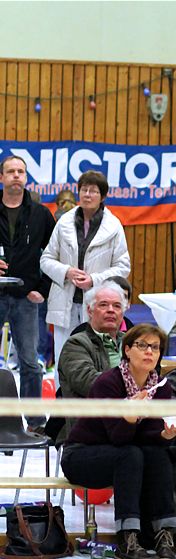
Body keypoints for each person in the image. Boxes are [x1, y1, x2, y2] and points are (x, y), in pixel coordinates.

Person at [61, 324, 176, 559]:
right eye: (142, 345)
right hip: (81, 455)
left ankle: (162, 536)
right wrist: (129, 417)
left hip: (126, 455)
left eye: (155, 347)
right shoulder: (107, 384)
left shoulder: (161, 388)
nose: (149, 352)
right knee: (129, 454)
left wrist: (165, 434)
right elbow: (118, 438)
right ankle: (127, 540)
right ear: (127, 350)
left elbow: (148, 439)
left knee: (160, 454)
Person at [40, 170, 131, 373]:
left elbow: (123, 266)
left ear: (103, 196)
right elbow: (46, 259)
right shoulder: (63, 223)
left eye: (93, 191)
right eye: (84, 190)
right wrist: (66, 272)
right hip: (65, 301)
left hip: (97, 302)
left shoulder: (113, 226)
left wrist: (94, 279)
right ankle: (60, 403)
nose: (87, 195)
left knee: (96, 362)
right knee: (63, 361)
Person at [0, 155, 55, 432]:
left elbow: (55, 255)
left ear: (26, 177)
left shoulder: (40, 214)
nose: (16, 176)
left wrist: (42, 289)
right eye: (10, 171)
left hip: (25, 297)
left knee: (30, 363)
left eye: (20, 171)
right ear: (2, 177)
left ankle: (35, 422)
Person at [57, 282, 127, 445]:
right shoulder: (76, 344)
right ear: (89, 310)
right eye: (103, 305)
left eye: (117, 306)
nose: (111, 310)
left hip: (130, 424)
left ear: (122, 313)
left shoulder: (133, 342)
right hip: (90, 430)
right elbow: (91, 383)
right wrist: (134, 389)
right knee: (133, 455)